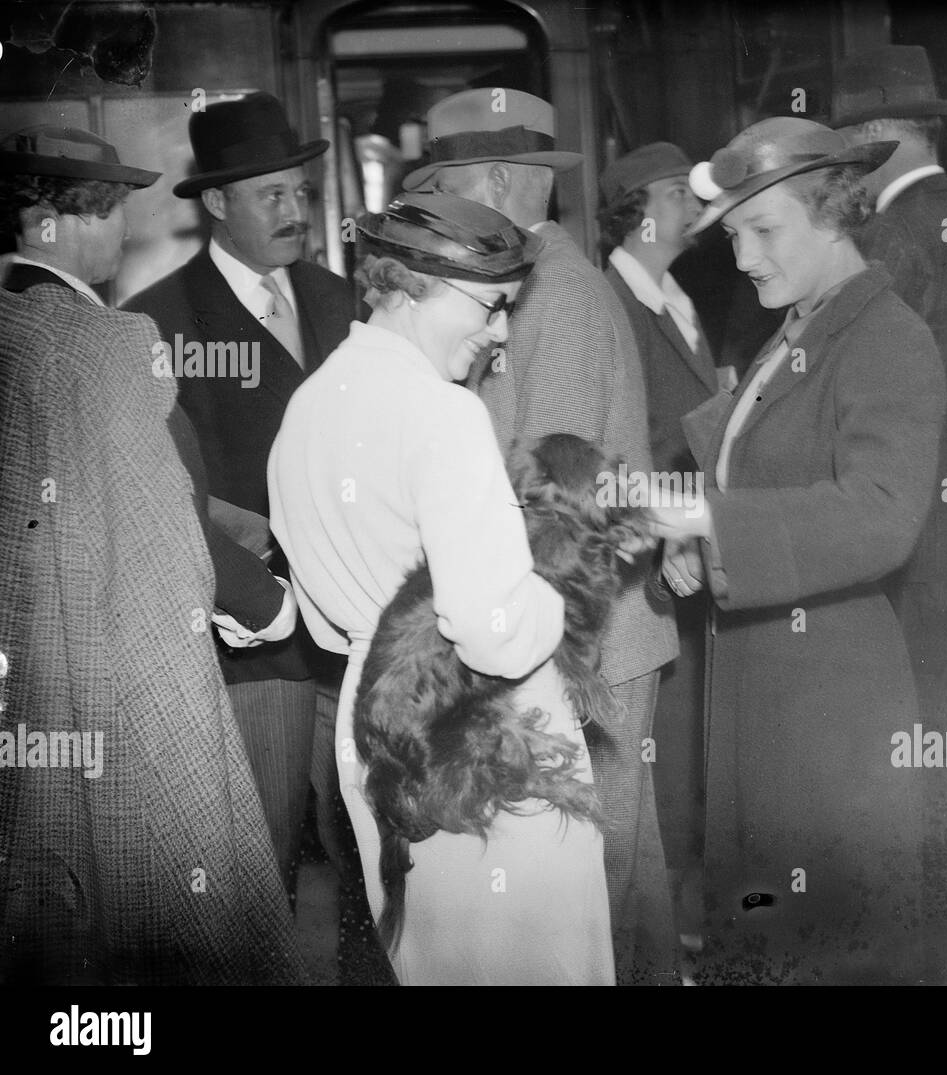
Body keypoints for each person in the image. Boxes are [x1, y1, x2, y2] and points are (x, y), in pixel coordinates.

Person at [268, 190, 615, 985]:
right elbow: (494, 629)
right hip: (483, 728)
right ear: (423, 285)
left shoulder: (310, 404)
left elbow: (323, 626)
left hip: (373, 720)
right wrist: (553, 586)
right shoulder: (443, 412)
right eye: (493, 307)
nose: (499, 334)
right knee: (533, 964)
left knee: (436, 961)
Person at [0, 125, 302, 984]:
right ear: (65, 220)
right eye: (111, 212)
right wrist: (266, 603)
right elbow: (161, 524)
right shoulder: (111, 345)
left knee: (54, 910)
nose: (122, 234)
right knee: (174, 906)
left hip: (25, 677)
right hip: (107, 666)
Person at [652, 117, 947, 984]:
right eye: (735, 234)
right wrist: (696, 551)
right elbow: (754, 482)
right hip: (763, 690)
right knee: (771, 941)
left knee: (835, 949)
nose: (742, 258)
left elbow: (886, 511)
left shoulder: (885, 338)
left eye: (763, 230)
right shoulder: (792, 332)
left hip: (830, 712)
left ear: (834, 212)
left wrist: (719, 530)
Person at [402, 89, 680, 984]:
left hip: (589, 637)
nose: (438, 211)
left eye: (445, 188)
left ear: (490, 180)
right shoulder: (533, 287)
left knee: (601, 871)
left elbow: (551, 499)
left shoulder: (555, 298)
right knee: (617, 870)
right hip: (578, 627)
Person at [124, 92, 356, 890]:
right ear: (218, 203)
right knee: (261, 867)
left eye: (301, 192)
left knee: (372, 861)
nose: (296, 211)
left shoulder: (341, 300)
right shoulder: (155, 324)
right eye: (273, 196)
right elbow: (157, 492)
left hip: (356, 632)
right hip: (252, 651)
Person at [833, 45, 947, 983]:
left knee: (921, 742)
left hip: (916, 528)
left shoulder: (899, 236)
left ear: (881, 140)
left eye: (850, 150)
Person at [598, 141, 717, 954]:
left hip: (695, 544)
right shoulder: (611, 303)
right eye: (678, 191)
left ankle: (689, 916)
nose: (694, 203)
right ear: (638, 210)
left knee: (690, 738)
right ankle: (666, 928)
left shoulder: (675, 296)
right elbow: (622, 445)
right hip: (650, 558)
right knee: (661, 747)